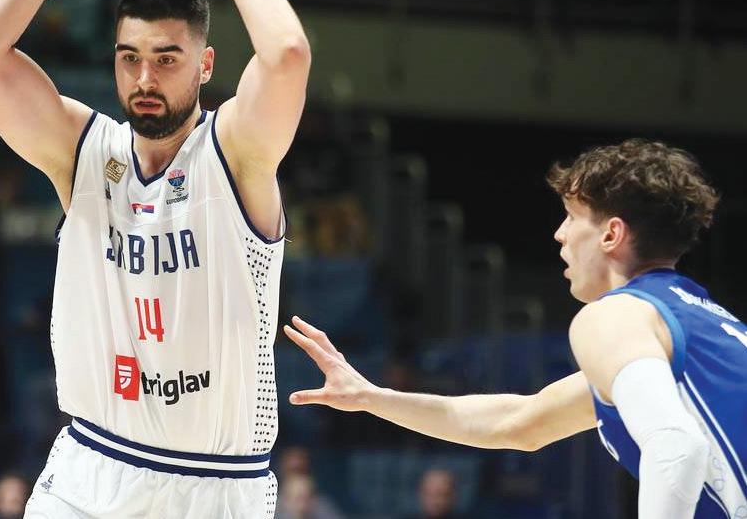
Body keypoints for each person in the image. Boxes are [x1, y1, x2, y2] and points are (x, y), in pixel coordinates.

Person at [0, 0, 311, 516]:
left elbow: (287, 54)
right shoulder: (85, 152)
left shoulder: (237, 153)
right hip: (90, 466)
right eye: (130, 58)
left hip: (214, 487)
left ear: (205, 65)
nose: (145, 78)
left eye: (167, 59)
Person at [285, 139, 747, 519]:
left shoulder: (617, 315)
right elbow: (521, 423)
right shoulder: (701, 322)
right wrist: (372, 398)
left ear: (611, 234)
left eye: (572, 217)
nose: (559, 234)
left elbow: (676, 446)